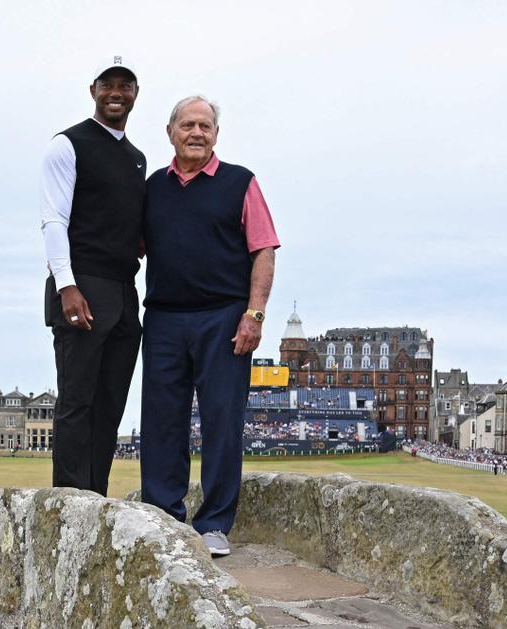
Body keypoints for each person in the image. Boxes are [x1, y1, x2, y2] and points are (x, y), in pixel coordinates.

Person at [140, 95, 280, 557]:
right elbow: (130, 248)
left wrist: (254, 314)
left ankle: (215, 523)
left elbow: (263, 249)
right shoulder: (152, 188)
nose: (196, 133)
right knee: (161, 421)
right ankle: (163, 516)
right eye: (187, 125)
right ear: (170, 132)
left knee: (222, 420)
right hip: (162, 318)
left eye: (205, 125)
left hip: (224, 318)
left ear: (216, 134)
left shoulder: (240, 182)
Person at [40, 57, 146, 495]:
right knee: (77, 402)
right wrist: (67, 285)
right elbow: (53, 220)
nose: (116, 93)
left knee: (109, 407)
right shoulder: (67, 144)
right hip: (81, 286)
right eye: (108, 85)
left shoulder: (137, 159)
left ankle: (95, 498)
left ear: (135, 95)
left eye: (126, 85)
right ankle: (68, 500)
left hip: (125, 292)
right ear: (93, 91)